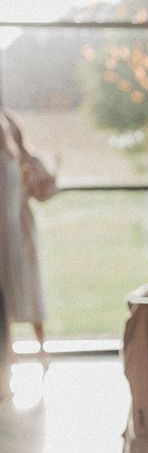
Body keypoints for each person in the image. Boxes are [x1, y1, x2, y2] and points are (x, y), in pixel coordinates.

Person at [0, 111, 57, 357]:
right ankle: (8, 357)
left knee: (31, 292)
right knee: (7, 295)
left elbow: (44, 192)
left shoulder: (26, 162)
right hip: (5, 237)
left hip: (22, 235)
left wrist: (50, 174)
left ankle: (41, 352)